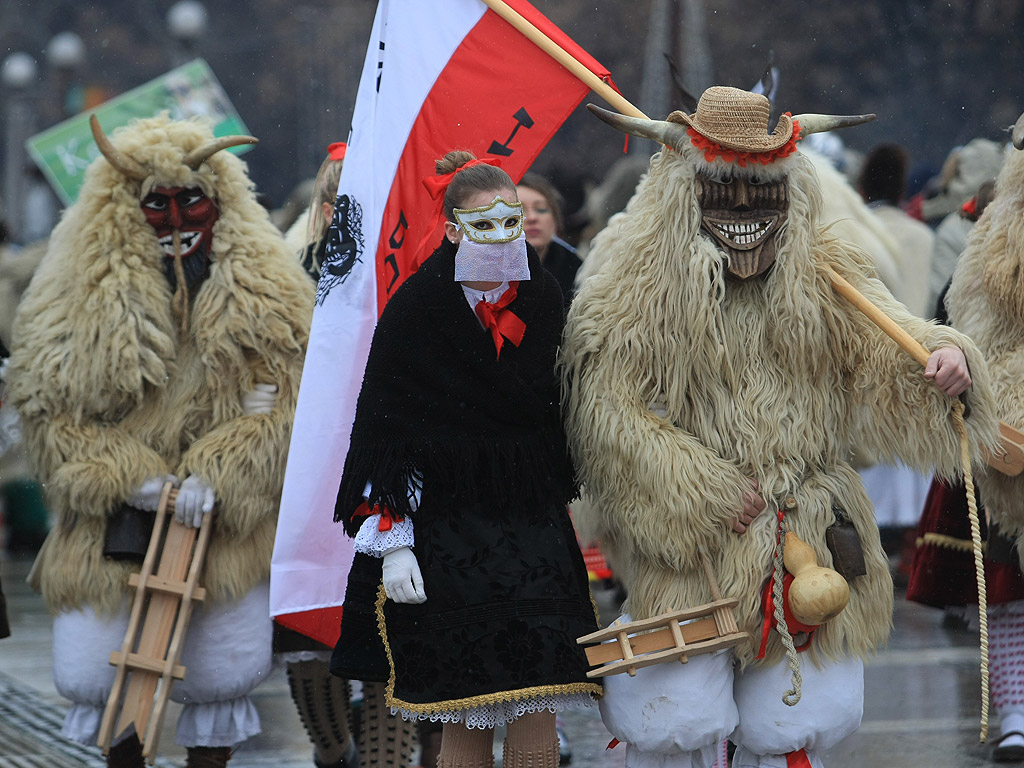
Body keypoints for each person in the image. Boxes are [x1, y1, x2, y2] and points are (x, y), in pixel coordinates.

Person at [561, 86, 998, 768]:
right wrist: (702, 488)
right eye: (722, 189)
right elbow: (607, 412)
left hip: (809, 531)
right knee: (677, 719)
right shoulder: (631, 282)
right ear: (685, 190)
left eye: (762, 192)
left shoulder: (826, 270)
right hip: (695, 545)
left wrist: (942, 363)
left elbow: (888, 347)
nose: (744, 211)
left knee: (801, 716)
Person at [5, 114, 313, 768]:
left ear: (220, 202)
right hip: (109, 526)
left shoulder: (272, 296)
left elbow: (286, 401)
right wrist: (128, 475)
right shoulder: (68, 303)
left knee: (219, 674)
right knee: (101, 673)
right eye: (156, 203)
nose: (176, 219)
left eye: (191, 200)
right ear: (123, 210)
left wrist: (221, 473)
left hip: (226, 524)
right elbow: (48, 411)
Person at [331, 151, 601, 768]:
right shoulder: (416, 309)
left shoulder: (545, 295)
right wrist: (393, 543)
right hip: (446, 530)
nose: (504, 236)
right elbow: (382, 429)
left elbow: (570, 406)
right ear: (453, 230)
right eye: (484, 225)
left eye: (512, 221)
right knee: (467, 705)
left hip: (531, 523)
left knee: (538, 698)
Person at [277, 141, 416, 768]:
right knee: (309, 628)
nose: (345, 213)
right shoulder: (283, 275)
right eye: (335, 200)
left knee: (390, 629)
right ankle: (333, 753)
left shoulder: (409, 265)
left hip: (388, 460)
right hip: (308, 470)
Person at [943, 113, 1024, 762]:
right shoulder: (993, 233)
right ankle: (1016, 715)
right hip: (1009, 436)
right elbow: (963, 314)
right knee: (1007, 590)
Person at [516, 172, 582, 304]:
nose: (533, 218)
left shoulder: (579, 272)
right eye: (519, 211)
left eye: (541, 209)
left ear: (555, 221)